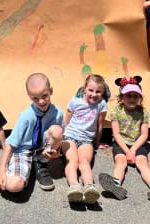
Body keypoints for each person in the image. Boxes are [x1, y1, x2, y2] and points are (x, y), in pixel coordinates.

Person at [0, 73, 63, 196]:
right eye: (35, 98)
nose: (41, 101)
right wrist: (1, 169)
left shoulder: (58, 113)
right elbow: (10, 144)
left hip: (41, 150)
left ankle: (40, 164)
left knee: (57, 131)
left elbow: (56, 137)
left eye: (44, 96)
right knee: (15, 185)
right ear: (29, 96)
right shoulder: (26, 116)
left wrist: (54, 150)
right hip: (23, 151)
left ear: (51, 91)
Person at [99, 76, 150, 202]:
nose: (132, 99)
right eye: (128, 96)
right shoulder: (116, 111)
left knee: (142, 163)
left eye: (135, 96)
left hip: (138, 143)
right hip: (121, 143)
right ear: (121, 98)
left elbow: (144, 135)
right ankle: (115, 184)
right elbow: (117, 134)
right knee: (121, 162)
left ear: (140, 98)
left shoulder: (143, 112)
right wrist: (127, 151)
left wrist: (133, 150)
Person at [62, 74, 108, 204]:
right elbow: (66, 120)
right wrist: (62, 137)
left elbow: (100, 125)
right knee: (72, 161)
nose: (94, 94)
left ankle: (89, 187)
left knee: (84, 162)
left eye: (98, 91)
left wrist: (97, 143)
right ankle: (74, 187)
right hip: (70, 136)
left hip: (86, 140)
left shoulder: (101, 104)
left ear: (103, 92)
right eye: (91, 90)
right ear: (84, 89)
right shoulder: (75, 101)